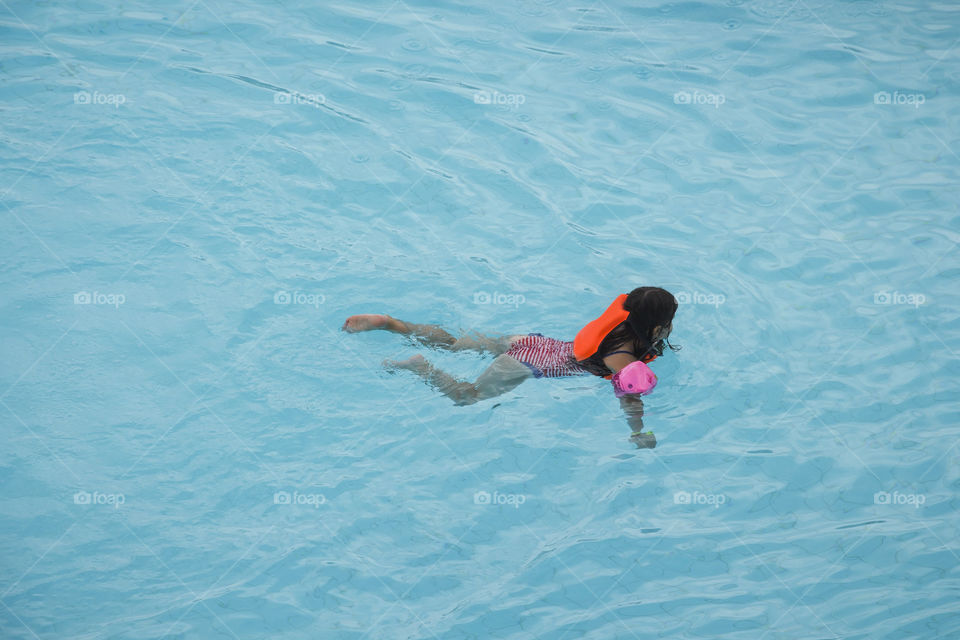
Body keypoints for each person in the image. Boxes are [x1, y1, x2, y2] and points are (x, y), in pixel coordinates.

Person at [341, 287, 679, 448]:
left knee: (454, 343)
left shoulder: (618, 328)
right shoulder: (623, 358)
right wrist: (639, 432)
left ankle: (393, 324)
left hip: (529, 342)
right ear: (656, 326)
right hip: (526, 363)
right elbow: (630, 400)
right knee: (467, 396)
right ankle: (420, 367)